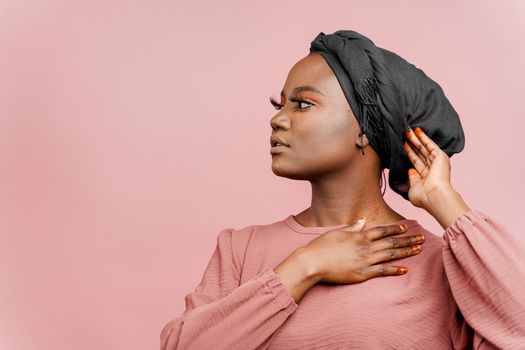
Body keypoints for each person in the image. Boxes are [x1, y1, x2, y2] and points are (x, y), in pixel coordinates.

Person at [160, 30, 525, 349]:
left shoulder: (436, 265)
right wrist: (306, 265)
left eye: (303, 103)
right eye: (279, 103)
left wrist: (446, 201)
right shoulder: (240, 250)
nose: (277, 118)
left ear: (365, 128)